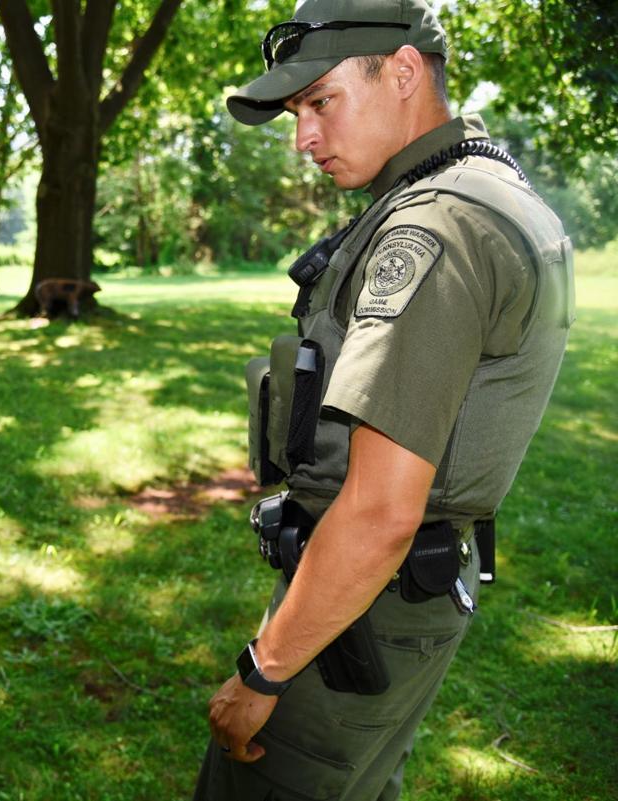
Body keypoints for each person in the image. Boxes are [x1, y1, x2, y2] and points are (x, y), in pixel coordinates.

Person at [193, 1, 574, 799]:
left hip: (355, 607)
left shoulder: (436, 229)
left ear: (403, 72)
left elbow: (379, 511)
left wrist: (262, 673)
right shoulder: (480, 188)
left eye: (319, 102)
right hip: (386, 598)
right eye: (296, 113)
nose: (302, 139)